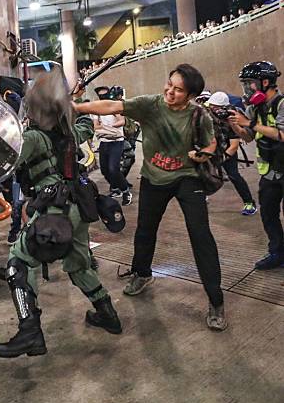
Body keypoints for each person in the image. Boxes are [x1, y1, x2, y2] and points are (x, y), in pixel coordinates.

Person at [74, 64, 227, 331]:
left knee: (201, 235)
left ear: (190, 94)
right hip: (154, 179)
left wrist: (202, 154)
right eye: (169, 84)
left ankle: (216, 300)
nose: (170, 91)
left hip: (187, 178)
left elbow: (211, 144)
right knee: (145, 231)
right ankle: (143, 274)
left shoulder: (199, 115)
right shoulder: (150, 105)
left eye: (178, 90)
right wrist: (76, 108)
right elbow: (112, 107)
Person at [0, 67, 122, 360]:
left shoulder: (34, 138)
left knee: (19, 262)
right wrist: (77, 101)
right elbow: (87, 124)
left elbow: (4, 160)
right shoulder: (72, 133)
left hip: (54, 211)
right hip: (78, 207)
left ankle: (30, 331)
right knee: (78, 266)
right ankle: (108, 314)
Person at [228, 61, 284, 270]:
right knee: (268, 214)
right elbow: (249, 137)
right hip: (269, 172)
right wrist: (234, 123)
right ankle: (277, 252)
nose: (246, 88)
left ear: (266, 82)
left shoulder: (281, 104)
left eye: (249, 83)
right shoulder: (254, 109)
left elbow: (281, 134)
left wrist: (250, 123)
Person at [205, 92, 257, 215]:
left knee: (234, 175)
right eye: (211, 106)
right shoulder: (206, 116)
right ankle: (200, 198)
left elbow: (233, 146)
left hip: (226, 150)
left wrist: (221, 159)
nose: (212, 109)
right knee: (200, 174)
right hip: (210, 149)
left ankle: (249, 203)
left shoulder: (231, 118)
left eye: (215, 107)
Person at [93, 86, 132, 205]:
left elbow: (122, 121)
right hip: (105, 142)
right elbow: (95, 126)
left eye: (105, 94)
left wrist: (104, 129)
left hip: (117, 141)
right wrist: (109, 129)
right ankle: (115, 189)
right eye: (100, 95)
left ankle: (126, 191)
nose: (102, 97)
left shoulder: (113, 106)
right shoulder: (96, 109)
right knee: (104, 169)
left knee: (113, 168)